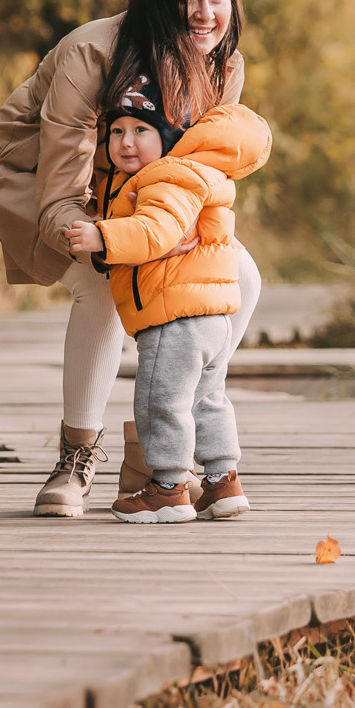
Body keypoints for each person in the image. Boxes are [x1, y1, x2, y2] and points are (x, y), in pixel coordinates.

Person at [0, 0, 264, 516]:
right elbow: (61, 194)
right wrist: (123, 240)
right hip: (41, 179)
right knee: (105, 284)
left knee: (242, 277)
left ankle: (169, 422)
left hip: (145, 198)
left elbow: (205, 174)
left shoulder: (224, 65)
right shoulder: (92, 53)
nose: (206, 14)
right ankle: (75, 457)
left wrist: (184, 232)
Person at [66, 80, 270, 522]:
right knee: (206, 397)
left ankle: (169, 486)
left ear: (168, 138)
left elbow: (156, 232)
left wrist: (101, 235)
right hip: (210, 314)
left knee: (161, 400)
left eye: (142, 130)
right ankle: (222, 482)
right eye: (117, 131)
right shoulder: (186, 174)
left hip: (173, 317)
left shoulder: (164, 176)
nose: (126, 141)